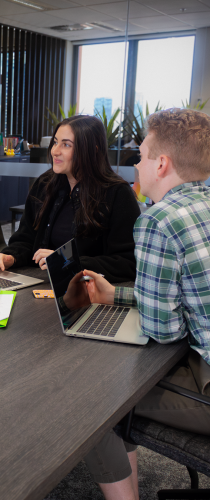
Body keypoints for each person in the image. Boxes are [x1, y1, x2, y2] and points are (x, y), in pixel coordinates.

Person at [80, 108, 210, 500]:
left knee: (95, 397)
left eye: (140, 155)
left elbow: (164, 330)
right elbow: (189, 295)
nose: (135, 165)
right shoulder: (203, 203)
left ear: (162, 163)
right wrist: (115, 294)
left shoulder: (158, 220)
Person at [0, 115, 140, 283]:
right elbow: (26, 239)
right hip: (40, 284)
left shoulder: (118, 194)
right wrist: (11, 256)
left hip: (86, 294)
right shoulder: (44, 185)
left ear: (92, 150)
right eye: (55, 142)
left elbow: (127, 263)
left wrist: (65, 259)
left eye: (66, 145)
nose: (54, 151)